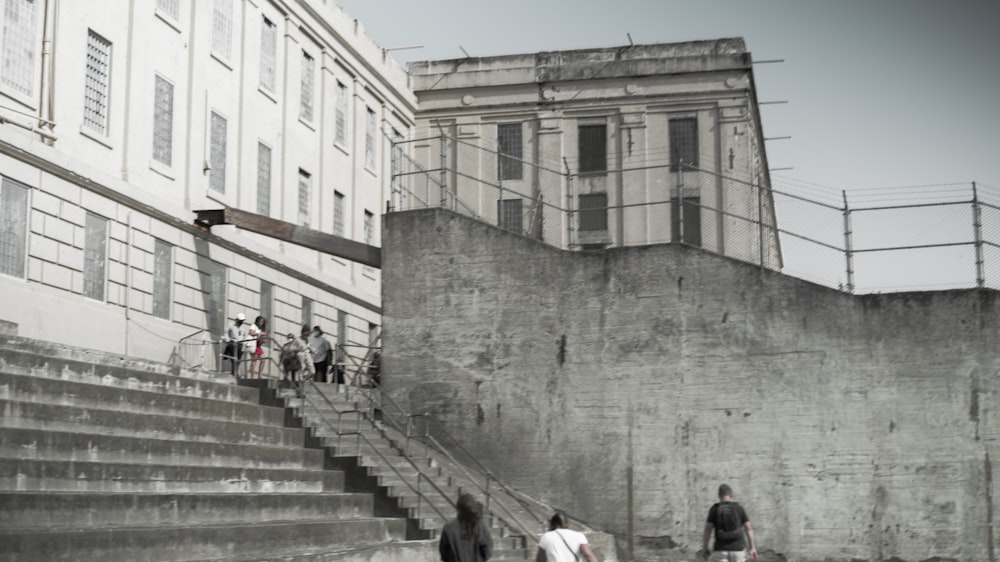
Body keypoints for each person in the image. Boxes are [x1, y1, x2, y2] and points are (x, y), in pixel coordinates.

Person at [702, 484, 757, 562]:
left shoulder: (714, 509)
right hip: (738, 550)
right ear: (731, 495)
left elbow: (707, 530)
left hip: (720, 550)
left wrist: (705, 548)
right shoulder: (739, 508)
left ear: (719, 495)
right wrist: (752, 548)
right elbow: (749, 529)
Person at [439, 493, 492, 562]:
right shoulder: (480, 526)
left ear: (458, 508)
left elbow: (443, 553)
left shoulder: (448, 527)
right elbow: (487, 550)